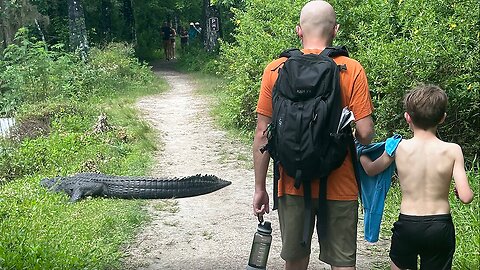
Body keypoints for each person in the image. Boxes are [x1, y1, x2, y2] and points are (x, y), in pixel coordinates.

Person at [252, 1, 375, 269]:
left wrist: (260, 188)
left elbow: (263, 133)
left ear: (299, 30)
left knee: (295, 262)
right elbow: (365, 134)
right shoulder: (351, 69)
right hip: (339, 183)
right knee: (343, 263)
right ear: (336, 30)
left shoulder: (276, 69)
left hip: (291, 181)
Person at [359, 84, 474, 270]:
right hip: (440, 226)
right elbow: (466, 197)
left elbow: (371, 170)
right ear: (443, 118)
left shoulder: (398, 147)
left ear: (407, 117)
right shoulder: (453, 150)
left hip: (408, 224)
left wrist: (361, 154)